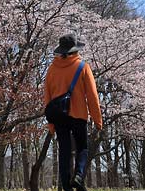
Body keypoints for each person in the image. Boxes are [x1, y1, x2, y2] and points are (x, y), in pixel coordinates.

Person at [44, 34, 103, 191]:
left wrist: (50, 124)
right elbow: (92, 96)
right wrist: (98, 120)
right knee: (82, 147)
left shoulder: (51, 69)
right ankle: (79, 175)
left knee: (64, 151)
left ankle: (66, 186)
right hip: (79, 115)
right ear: (75, 50)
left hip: (59, 117)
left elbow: (47, 97)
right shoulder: (83, 66)